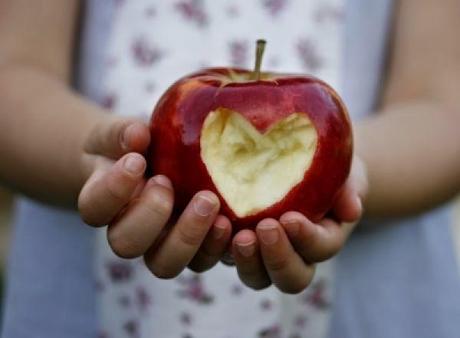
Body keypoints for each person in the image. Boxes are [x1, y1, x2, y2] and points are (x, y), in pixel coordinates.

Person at [0, 0, 459, 338]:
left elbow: (445, 112)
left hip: (369, 307)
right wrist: (101, 163)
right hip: (85, 301)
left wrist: (348, 175)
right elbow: (13, 76)